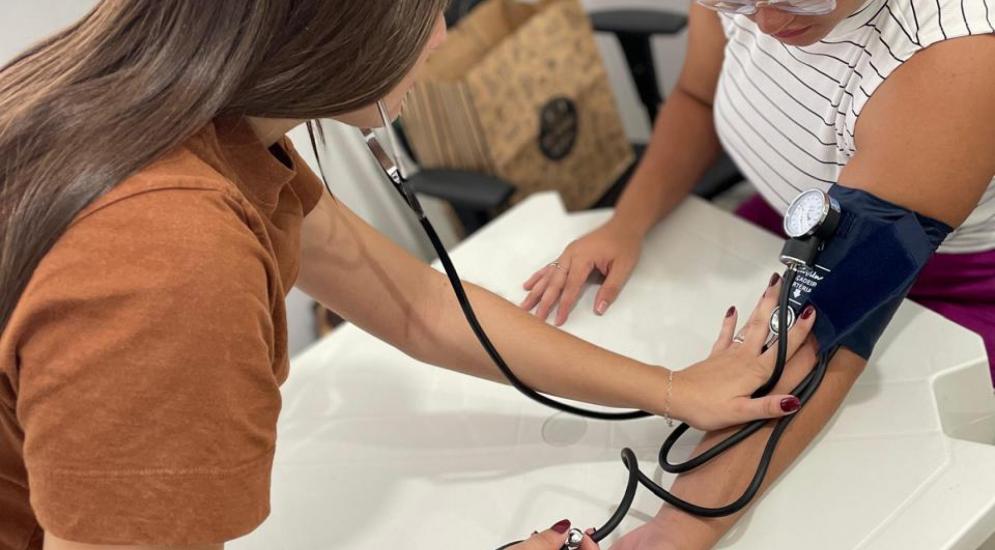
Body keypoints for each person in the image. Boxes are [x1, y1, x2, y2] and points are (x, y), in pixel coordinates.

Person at [0, 2, 821, 549]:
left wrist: (670, 389)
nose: (440, 36)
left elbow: (420, 305)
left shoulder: (185, 124)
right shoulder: (170, 256)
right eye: (427, 5)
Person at [522, 0, 995, 548]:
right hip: (794, 226)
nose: (767, 24)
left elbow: (826, 330)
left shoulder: (957, 58)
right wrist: (626, 223)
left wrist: (680, 527)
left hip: (945, 286)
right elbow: (697, 96)